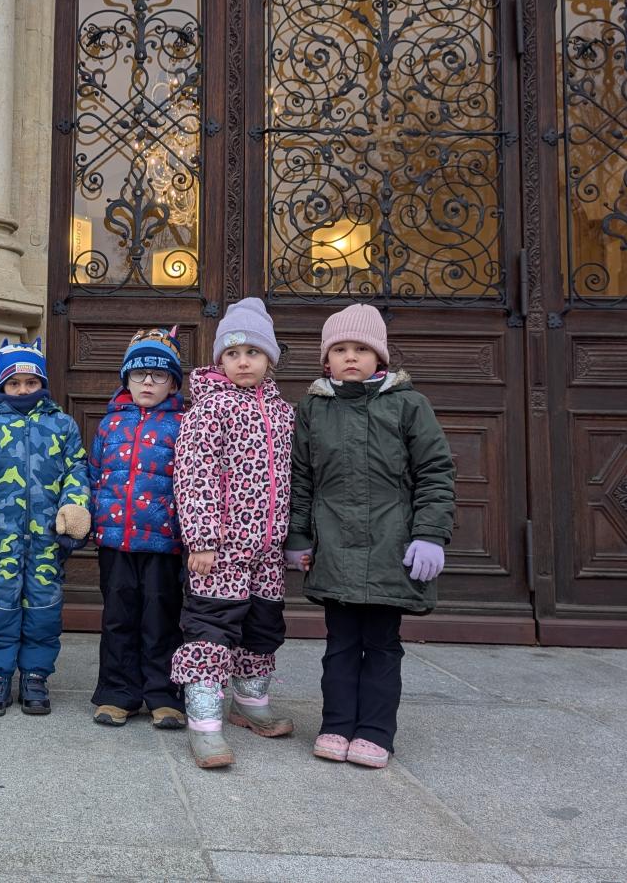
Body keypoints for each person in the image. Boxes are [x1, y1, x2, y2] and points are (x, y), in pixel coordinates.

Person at [286, 303, 456, 769]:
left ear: (379, 357)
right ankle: (337, 724)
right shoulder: (314, 408)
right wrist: (298, 536)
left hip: (390, 548)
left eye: (361, 349)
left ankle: (376, 732)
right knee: (340, 644)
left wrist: (430, 534)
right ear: (326, 360)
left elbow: (435, 472)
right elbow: (301, 477)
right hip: (335, 548)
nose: (350, 357)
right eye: (340, 349)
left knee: (381, 644)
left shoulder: (408, 405)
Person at [169, 299, 296, 768]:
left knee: (263, 625)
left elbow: (295, 477)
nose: (243, 362)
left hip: (269, 549)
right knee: (211, 627)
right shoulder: (210, 409)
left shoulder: (284, 413)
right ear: (220, 359)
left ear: (270, 359)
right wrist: (202, 539)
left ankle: (250, 701)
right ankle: (204, 722)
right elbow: (194, 476)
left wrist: (294, 540)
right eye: (233, 353)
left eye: (253, 353)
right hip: (220, 548)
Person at [0, 338, 91, 717]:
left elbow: (77, 468)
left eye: (31, 382)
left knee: (44, 605)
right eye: (14, 383)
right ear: (3, 385)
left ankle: (36, 674)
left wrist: (75, 505)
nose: (23, 389)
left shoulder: (61, 424)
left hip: (47, 538)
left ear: (42, 384)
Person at [88, 327, 186, 730]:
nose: (148, 382)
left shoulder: (183, 425)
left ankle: (163, 694)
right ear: (126, 379)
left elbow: (190, 483)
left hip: (163, 542)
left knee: (160, 618)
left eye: (158, 375)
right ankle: (117, 692)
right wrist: (91, 518)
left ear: (172, 383)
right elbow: (94, 474)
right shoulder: (110, 424)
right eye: (139, 374)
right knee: (118, 618)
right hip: (115, 539)